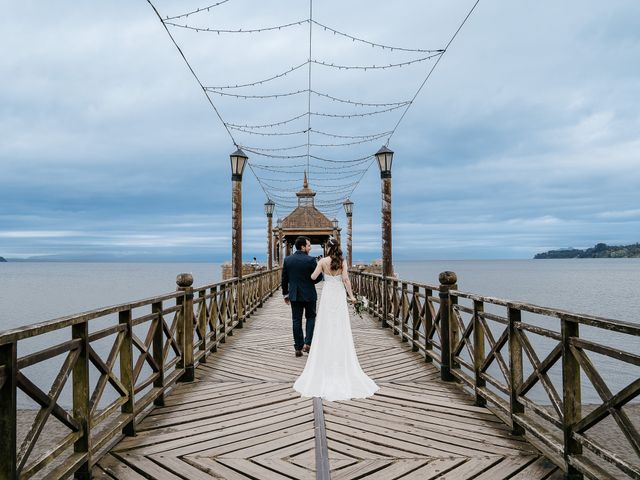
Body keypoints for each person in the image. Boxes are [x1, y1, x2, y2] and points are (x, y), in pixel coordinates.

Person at [293, 238, 379, 401]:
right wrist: (352, 297)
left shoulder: (323, 261)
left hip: (327, 296)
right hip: (338, 295)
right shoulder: (342, 262)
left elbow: (313, 277)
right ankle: (339, 358)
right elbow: (346, 280)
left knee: (325, 325)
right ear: (338, 248)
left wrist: (317, 270)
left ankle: (324, 356)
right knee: (339, 326)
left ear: (327, 248)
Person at [281, 236, 323, 357]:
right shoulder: (310, 260)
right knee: (310, 318)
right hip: (309, 294)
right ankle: (308, 343)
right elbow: (318, 277)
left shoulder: (288, 260)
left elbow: (284, 279)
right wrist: (311, 282)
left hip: (294, 295)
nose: (310, 248)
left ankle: (298, 347)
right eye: (309, 245)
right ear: (303, 246)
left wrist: (285, 294)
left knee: (296, 320)